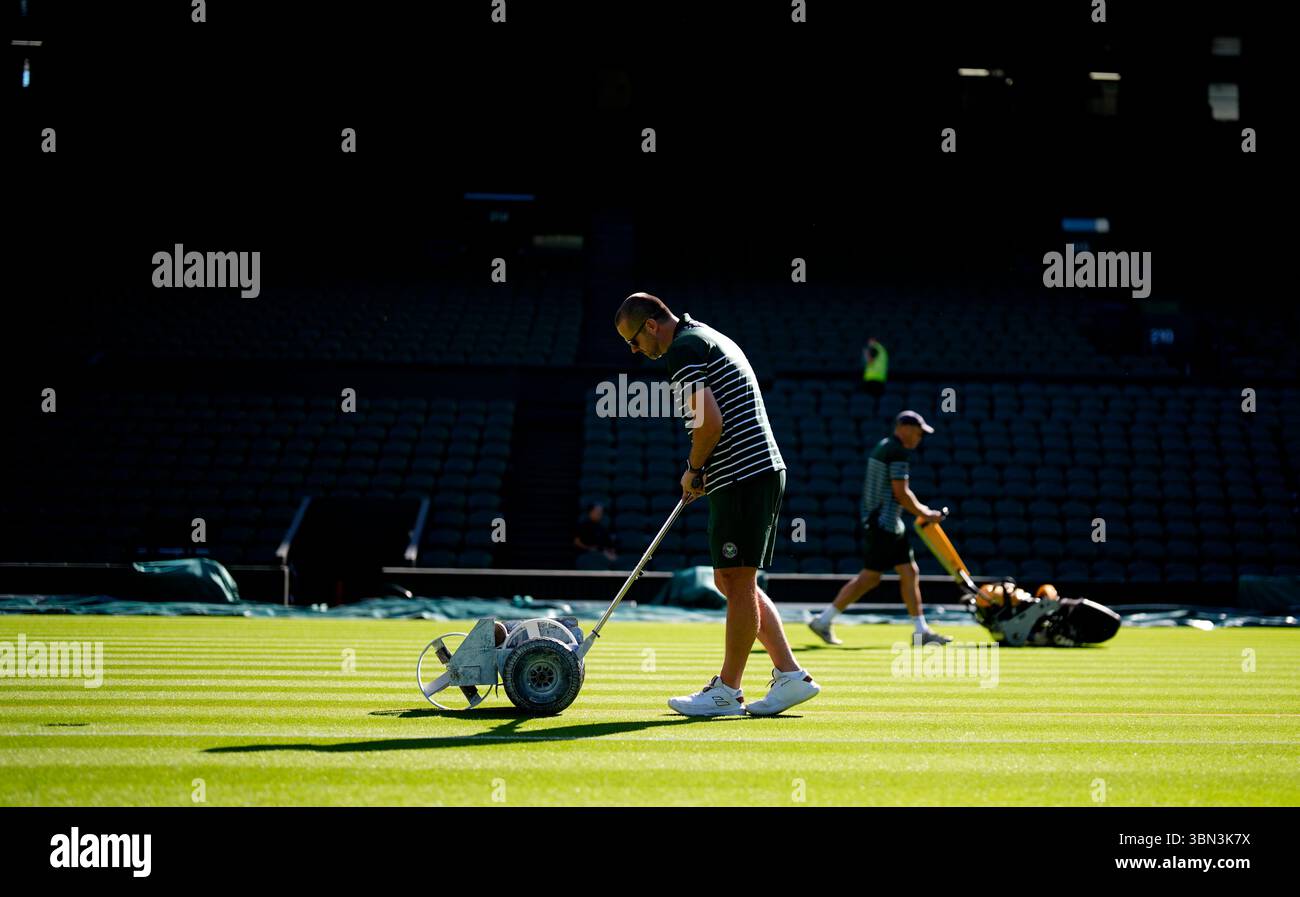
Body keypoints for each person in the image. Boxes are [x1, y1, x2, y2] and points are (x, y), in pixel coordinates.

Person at [615, 292, 820, 716]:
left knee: (736, 578)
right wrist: (706, 471)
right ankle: (790, 676)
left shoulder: (683, 349)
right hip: (745, 471)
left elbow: (709, 421)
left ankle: (728, 690)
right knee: (730, 581)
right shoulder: (703, 335)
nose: (635, 350)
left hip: (745, 473)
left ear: (651, 325)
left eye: (634, 340)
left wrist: (693, 468)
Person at [809, 410, 953, 646]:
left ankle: (921, 631)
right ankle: (824, 620)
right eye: (918, 432)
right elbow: (901, 493)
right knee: (870, 577)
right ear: (904, 428)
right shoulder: (897, 451)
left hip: (888, 523)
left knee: (908, 573)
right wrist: (927, 513)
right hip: (883, 524)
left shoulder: (885, 446)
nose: (919, 437)